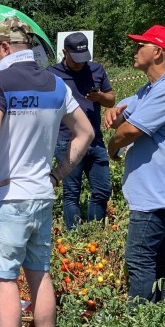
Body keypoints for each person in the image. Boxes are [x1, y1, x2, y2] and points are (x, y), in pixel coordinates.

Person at [0, 18, 93, 327]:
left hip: (9, 196)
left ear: (5, 46)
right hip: (42, 194)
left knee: (5, 278)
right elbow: (85, 132)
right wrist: (58, 174)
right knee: (40, 273)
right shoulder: (57, 84)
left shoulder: (0, 81)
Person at [104, 25, 165, 306]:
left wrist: (113, 146)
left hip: (157, 191)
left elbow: (129, 131)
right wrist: (112, 109)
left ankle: (138, 318)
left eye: (141, 45)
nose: (135, 50)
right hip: (155, 187)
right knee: (160, 254)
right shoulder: (151, 88)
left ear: (157, 52)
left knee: (139, 256)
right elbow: (125, 109)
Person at [48, 32, 115, 229]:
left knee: (102, 189)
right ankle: (75, 235)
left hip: (95, 140)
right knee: (72, 192)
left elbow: (111, 99)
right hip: (66, 140)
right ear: (64, 52)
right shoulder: (52, 74)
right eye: (75, 59)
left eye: (83, 58)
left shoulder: (96, 69)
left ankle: (94, 232)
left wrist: (101, 97)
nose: (80, 64)